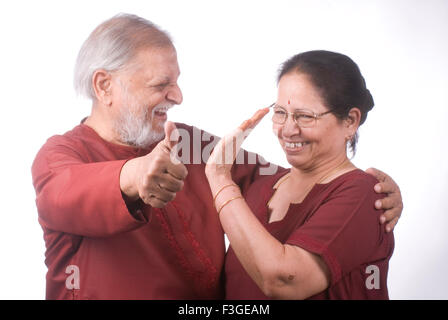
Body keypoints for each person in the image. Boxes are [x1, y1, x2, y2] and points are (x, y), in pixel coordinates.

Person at [32, 14, 402, 299]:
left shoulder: (187, 143)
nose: (177, 96)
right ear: (104, 85)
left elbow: (295, 180)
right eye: (162, 85)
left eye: (176, 81)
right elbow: (64, 193)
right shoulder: (61, 156)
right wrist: (135, 174)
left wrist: (369, 190)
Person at [205, 50, 396, 299]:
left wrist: (220, 178)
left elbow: (284, 281)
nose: (288, 130)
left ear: (350, 121)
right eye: (281, 113)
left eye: (305, 116)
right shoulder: (261, 186)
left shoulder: (364, 195)